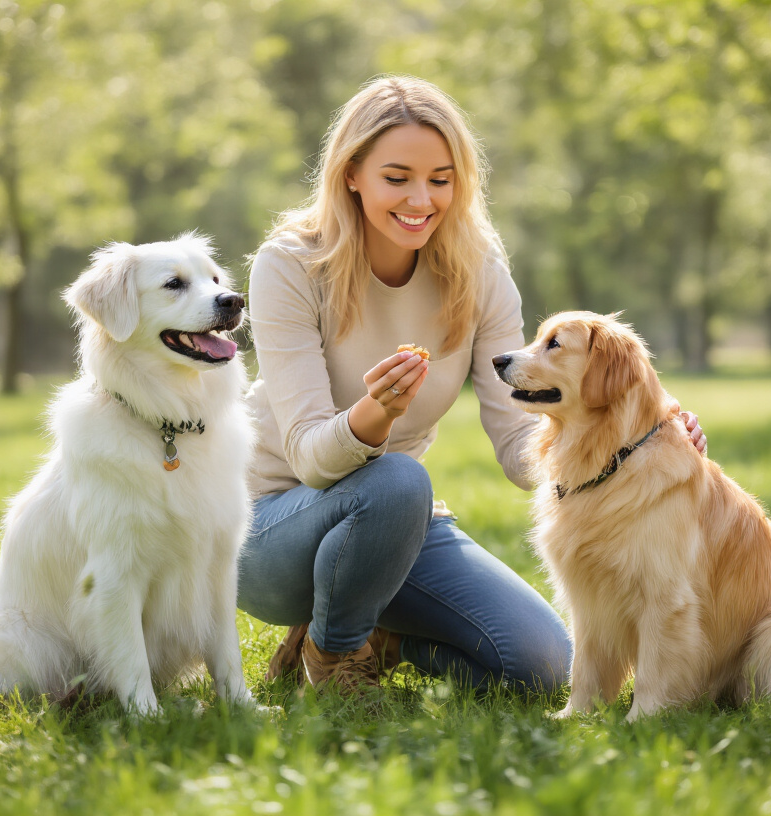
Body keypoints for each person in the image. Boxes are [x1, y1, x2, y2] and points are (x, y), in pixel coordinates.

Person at [238, 75, 706, 693]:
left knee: (542, 667)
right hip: (270, 523)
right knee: (400, 476)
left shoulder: (477, 270)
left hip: (392, 526)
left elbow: (521, 447)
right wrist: (373, 416)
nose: (421, 200)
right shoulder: (290, 264)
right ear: (351, 172)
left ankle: (385, 637)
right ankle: (334, 654)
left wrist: (634, 443)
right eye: (397, 177)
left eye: (441, 179)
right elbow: (307, 454)